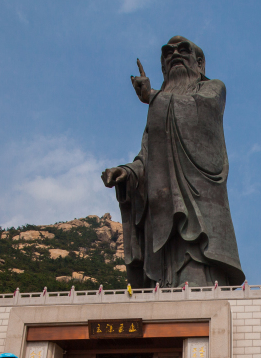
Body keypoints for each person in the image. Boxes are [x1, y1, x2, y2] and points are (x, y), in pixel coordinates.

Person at [101, 36, 245, 289]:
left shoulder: (211, 89)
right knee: (167, 287)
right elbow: (146, 157)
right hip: (163, 215)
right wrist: (127, 173)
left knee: (198, 283)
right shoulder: (158, 109)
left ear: (200, 63)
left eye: (183, 50)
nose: (174, 54)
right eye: (168, 53)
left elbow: (203, 112)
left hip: (198, 211)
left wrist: (154, 97)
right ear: (163, 69)